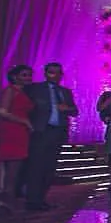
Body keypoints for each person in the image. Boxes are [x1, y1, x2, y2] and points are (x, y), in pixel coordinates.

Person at [23, 63, 78, 212]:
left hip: (57, 132)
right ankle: (32, 200)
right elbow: (24, 107)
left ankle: (41, 198)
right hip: (41, 131)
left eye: (59, 73)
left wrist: (67, 108)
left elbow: (75, 111)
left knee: (49, 167)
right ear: (46, 73)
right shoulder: (35, 89)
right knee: (36, 167)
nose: (56, 75)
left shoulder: (65, 92)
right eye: (52, 72)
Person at [0, 64, 33, 208]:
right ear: (14, 77)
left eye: (29, 75)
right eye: (24, 75)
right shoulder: (10, 90)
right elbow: (2, 111)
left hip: (20, 130)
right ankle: (7, 201)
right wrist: (23, 121)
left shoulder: (23, 92)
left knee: (15, 169)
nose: (28, 78)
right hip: (12, 130)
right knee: (12, 169)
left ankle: (7, 200)